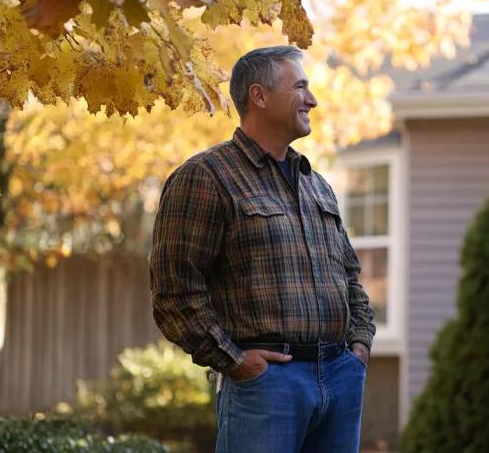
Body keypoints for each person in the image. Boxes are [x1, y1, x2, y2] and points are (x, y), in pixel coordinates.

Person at [149, 45, 375, 453]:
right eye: (301, 87)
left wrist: (358, 345)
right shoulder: (205, 177)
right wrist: (235, 362)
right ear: (259, 95)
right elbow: (174, 291)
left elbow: (350, 274)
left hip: (341, 375)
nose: (313, 99)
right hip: (267, 385)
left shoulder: (316, 183)